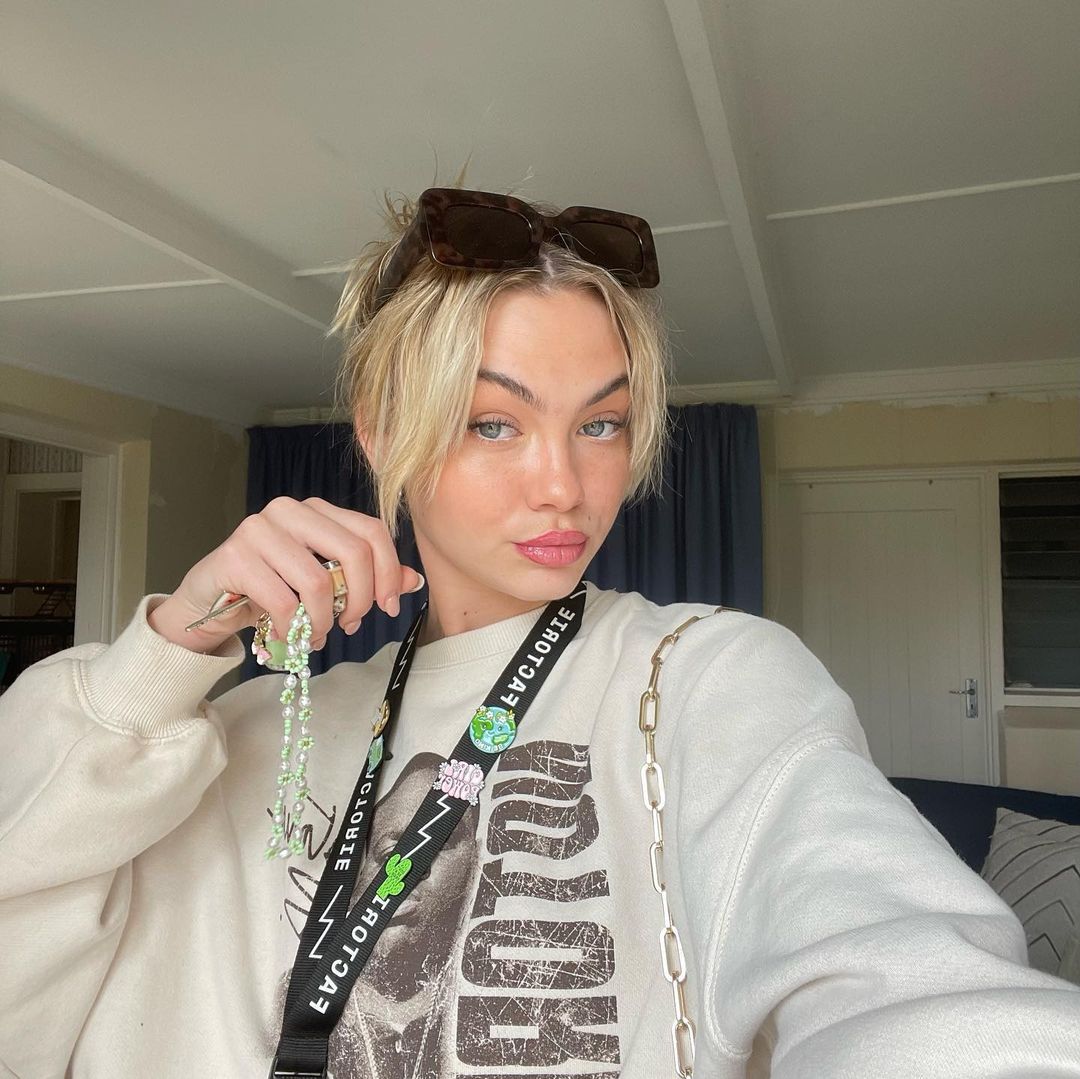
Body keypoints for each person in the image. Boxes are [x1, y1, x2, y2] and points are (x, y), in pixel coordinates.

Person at [1, 184, 1078, 1079]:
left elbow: (903, 972)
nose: (565, 484)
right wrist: (168, 655)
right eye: (495, 422)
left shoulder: (704, 679)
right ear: (383, 433)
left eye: (600, 423)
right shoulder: (235, 734)